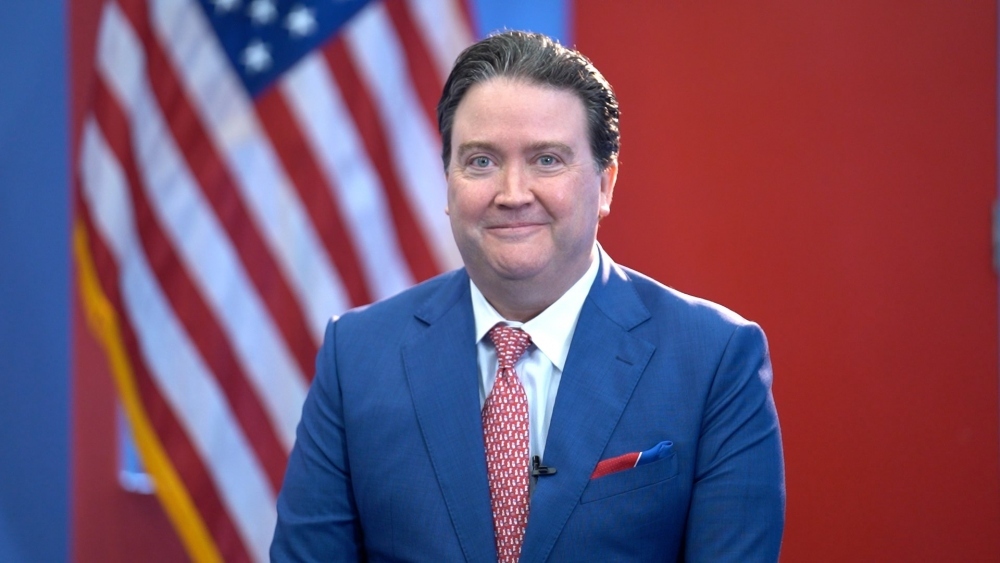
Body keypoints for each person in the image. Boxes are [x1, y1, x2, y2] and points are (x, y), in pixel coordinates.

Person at [271, 31, 784, 562]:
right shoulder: (355, 356)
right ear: (447, 181)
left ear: (605, 184)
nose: (513, 194)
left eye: (546, 160)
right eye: (481, 161)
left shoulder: (715, 360)